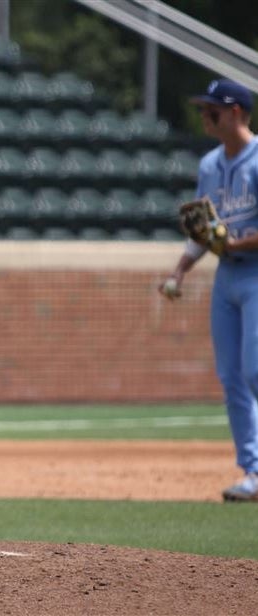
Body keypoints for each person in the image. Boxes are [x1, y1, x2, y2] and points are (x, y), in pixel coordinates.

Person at [160, 78, 258, 502]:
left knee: (255, 370)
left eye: (212, 111)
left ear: (236, 111)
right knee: (231, 377)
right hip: (227, 278)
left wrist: (231, 244)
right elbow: (205, 231)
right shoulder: (209, 165)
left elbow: (226, 238)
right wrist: (181, 270)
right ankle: (253, 473)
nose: (205, 117)